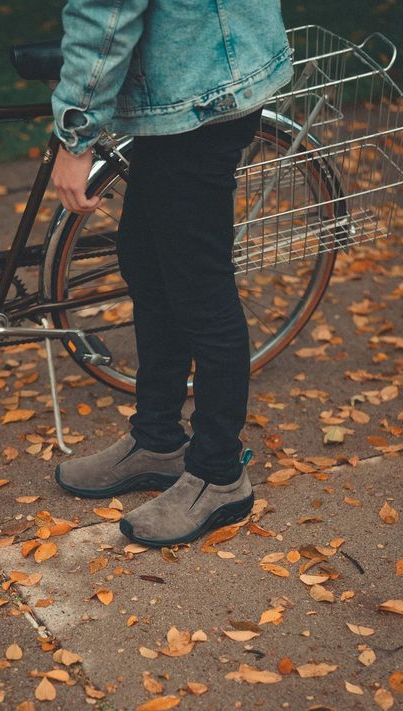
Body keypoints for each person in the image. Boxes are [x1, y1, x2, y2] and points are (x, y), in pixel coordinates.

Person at [51, 0, 293, 547]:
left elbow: (106, 12)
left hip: (196, 90)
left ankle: (219, 473)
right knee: (147, 259)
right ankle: (158, 441)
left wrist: (77, 135)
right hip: (196, 78)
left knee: (198, 286)